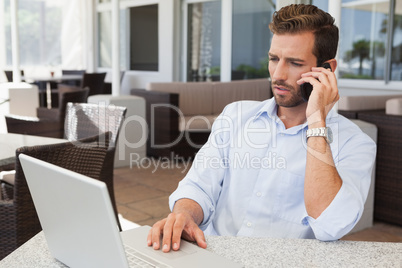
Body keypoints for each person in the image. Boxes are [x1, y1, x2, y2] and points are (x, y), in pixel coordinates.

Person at [147, 4, 376, 252]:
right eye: (274, 59)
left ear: (327, 69)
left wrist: (316, 122)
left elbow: (332, 225)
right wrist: (185, 215)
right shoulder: (235, 116)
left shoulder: (355, 144)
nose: (277, 74)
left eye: (295, 63)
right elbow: (200, 185)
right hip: (211, 255)